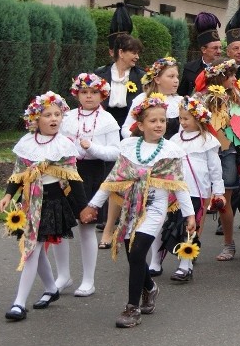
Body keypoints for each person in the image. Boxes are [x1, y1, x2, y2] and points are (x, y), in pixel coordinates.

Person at [79, 93, 195, 328]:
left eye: (162, 120)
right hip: (131, 207)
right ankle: (150, 287)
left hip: (154, 207)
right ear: (140, 125)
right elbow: (113, 179)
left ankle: (132, 308)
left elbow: (179, 186)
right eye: (153, 121)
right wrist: (93, 205)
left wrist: (189, 214)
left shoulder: (171, 151)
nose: (159, 125)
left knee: (139, 249)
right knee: (133, 255)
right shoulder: (130, 147)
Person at [0, 92, 86, 322]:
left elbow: (74, 179)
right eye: (47, 115)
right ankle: (51, 288)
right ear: (35, 119)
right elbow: (18, 175)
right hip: (29, 202)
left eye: (57, 114)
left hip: (52, 205)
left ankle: (19, 303)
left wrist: (84, 207)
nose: (54, 118)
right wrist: (8, 196)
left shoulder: (64, 145)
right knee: (34, 251)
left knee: (32, 251)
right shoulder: (27, 144)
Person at [108, 57, 181, 257]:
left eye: (177, 76)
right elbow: (126, 128)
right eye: (171, 76)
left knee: (166, 210)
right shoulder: (141, 100)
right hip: (142, 160)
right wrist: (136, 145)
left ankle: (157, 258)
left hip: (168, 162)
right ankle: (129, 244)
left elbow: (184, 132)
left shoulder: (181, 102)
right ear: (157, 78)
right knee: (142, 209)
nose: (176, 80)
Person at [56, 74, 120, 297]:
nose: (89, 96)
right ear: (77, 95)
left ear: (102, 94)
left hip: (92, 173)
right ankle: (63, 275)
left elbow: (115, 151)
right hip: (66, 173)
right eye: (84, 92)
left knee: (87, 226)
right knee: (60, 225)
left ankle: (88, 280)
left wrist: (92, 148)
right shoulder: (67, 117)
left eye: (94, 92)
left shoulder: (108, 120)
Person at [195, 58, 240, 261]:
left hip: (227, 152)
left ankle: (229, 244)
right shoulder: (200, 97)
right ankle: (192, 245)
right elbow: (190, 121)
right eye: (229, 76)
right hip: (202, 152)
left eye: (234, 75)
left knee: (223, 201)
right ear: (219, 78)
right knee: (201, 201)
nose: (233, 79)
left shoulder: (236, 97)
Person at [166, 96, 224, 282]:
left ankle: (185, 264)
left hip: (197, 190)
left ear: (198, 119)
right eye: (180, 119)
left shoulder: (208, 140)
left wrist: (219, 191)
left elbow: (215, 169)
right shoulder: (175, 139)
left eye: (186, 119)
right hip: (177, 190)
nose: (182, 122)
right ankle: (185, 264)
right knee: (176, 224)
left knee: (191, 227)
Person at [95, 33, 145, 129]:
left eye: (138, 53)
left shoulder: (141, 76)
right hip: (103, 119)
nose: (137, 57)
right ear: (121, 53)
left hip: (129, 120)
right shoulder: (100, 74)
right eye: (134, 53)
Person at [178, 12, 223, 96]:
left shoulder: (225, 69)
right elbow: (182, 95)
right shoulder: (189, 68)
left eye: (220, 47)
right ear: (204, 49)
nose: (219, 51)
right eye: (215, 48)